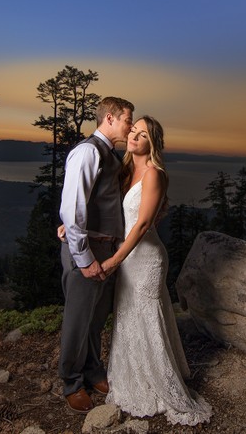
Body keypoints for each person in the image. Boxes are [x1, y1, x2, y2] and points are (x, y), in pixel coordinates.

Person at [100, 116, 212, 426]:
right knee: (127, 315)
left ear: (153, 143)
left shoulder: (154, 174)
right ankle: (132, 378)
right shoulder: (124, 171)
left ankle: (160, 383)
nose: (135, 135)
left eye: (144, 133)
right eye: (133, 129)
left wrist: (114, 260)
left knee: (146, 316)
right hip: (127, 257)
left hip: (145, 258)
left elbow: (144, 224)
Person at [58, 96, 134, 414]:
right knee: (77, 320)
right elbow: (72, 208)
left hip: (106, 248)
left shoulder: (110, 156)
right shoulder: (88, 151)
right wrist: (84, 258)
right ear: (111, 118)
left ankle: (92, 369)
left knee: (95, 318)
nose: (131, 125)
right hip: (89, 251)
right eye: (128, 119)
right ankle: (72, 382)